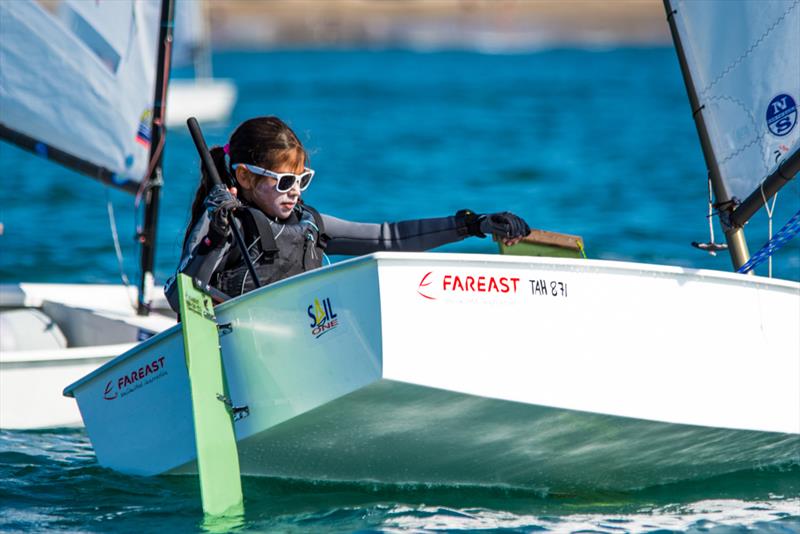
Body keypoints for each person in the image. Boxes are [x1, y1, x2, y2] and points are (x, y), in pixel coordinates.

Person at [165, 116, 530, 312]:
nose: (294, 190)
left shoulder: (310, 225)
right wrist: (215, 239)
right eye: (284, 181)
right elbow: (177, 297)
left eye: (302, 179)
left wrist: (472, 224)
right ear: (244, 176)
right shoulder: (221, 223)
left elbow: (389, 237)